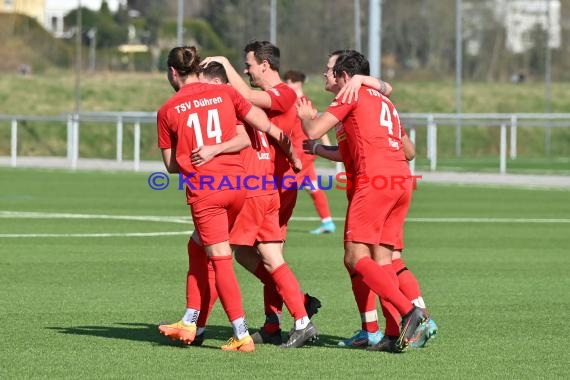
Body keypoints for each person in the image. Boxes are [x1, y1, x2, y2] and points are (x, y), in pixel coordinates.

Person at [156, 46, 300, 352]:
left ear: (172, 73)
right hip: (239, 188)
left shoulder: (168, 110)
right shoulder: (224, 95)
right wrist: (290, 149)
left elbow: (170, 166)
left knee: (220, 260)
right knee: (197, 247)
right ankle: (191, 320)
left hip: (208, 188)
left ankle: (241, 333)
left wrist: (197, 151)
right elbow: (251, 133)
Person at [297, 50, 427, 352]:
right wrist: (317, 149)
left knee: (356, 258)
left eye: (329, 69)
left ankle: (410, 312)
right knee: (382, 261)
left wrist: (307, 120)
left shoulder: (350, 93)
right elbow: (408, 150)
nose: (324, 74)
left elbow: (315, 128)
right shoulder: (383, 101)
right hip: (400, 179)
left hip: (374, 181)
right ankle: (394, 334)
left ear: (344, 76)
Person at [189, 61, 318, 349]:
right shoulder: (252, 109)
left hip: (250, 191)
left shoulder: (233, 103)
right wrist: (294, 158)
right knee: (261, 257)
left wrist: (210, 152)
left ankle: (196, 327)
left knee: (215, 256)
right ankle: (299, 314)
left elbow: (241, 135)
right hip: (268, 187)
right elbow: (274, 132)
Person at [284, 70, 336, 235]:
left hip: (301, 152)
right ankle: (328, 222)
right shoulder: (299, 102)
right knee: (313, 188)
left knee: (285, 187)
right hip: (304, 150)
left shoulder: (301, 103)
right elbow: (319, 126)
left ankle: (275, 220)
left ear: (298, 83)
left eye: (289, 81)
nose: (287, 84)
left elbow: (317, 126)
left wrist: (327, 147)